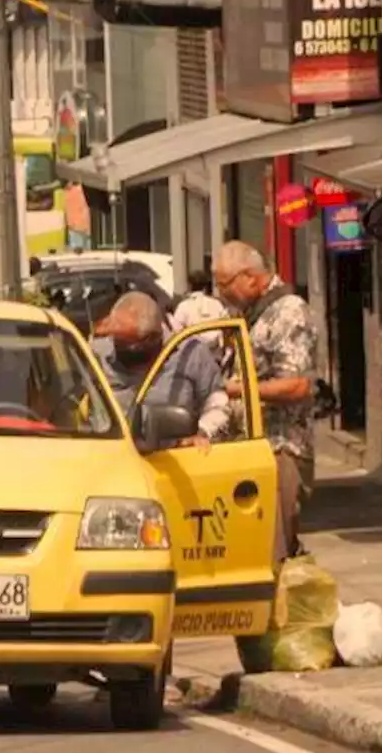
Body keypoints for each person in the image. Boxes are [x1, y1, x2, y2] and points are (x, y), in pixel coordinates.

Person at [212, 240, 318, 562]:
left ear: (250, 277)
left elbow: (297, 384)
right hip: (251, 450)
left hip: (280, 449)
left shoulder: (288, 312)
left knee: (272, 555)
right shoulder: (250, 314)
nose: (220, 292)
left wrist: (236, 389)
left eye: (224, 283)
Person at [92, 291, 229, 450]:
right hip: (110, 458)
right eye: (116, 339)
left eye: (129, 345)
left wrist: (203, 433)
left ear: (153, 338)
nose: (118, 347)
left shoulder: (190, 354)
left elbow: (217, 402)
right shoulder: (97, 355)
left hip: (173, 458)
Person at [173, 269, 228, 352]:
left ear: (189, 286)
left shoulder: (183, 306)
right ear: (205, 287)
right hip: (216, 356)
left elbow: (176, 333)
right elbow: (227, 327)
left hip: (193, 356)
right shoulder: (217, 304)